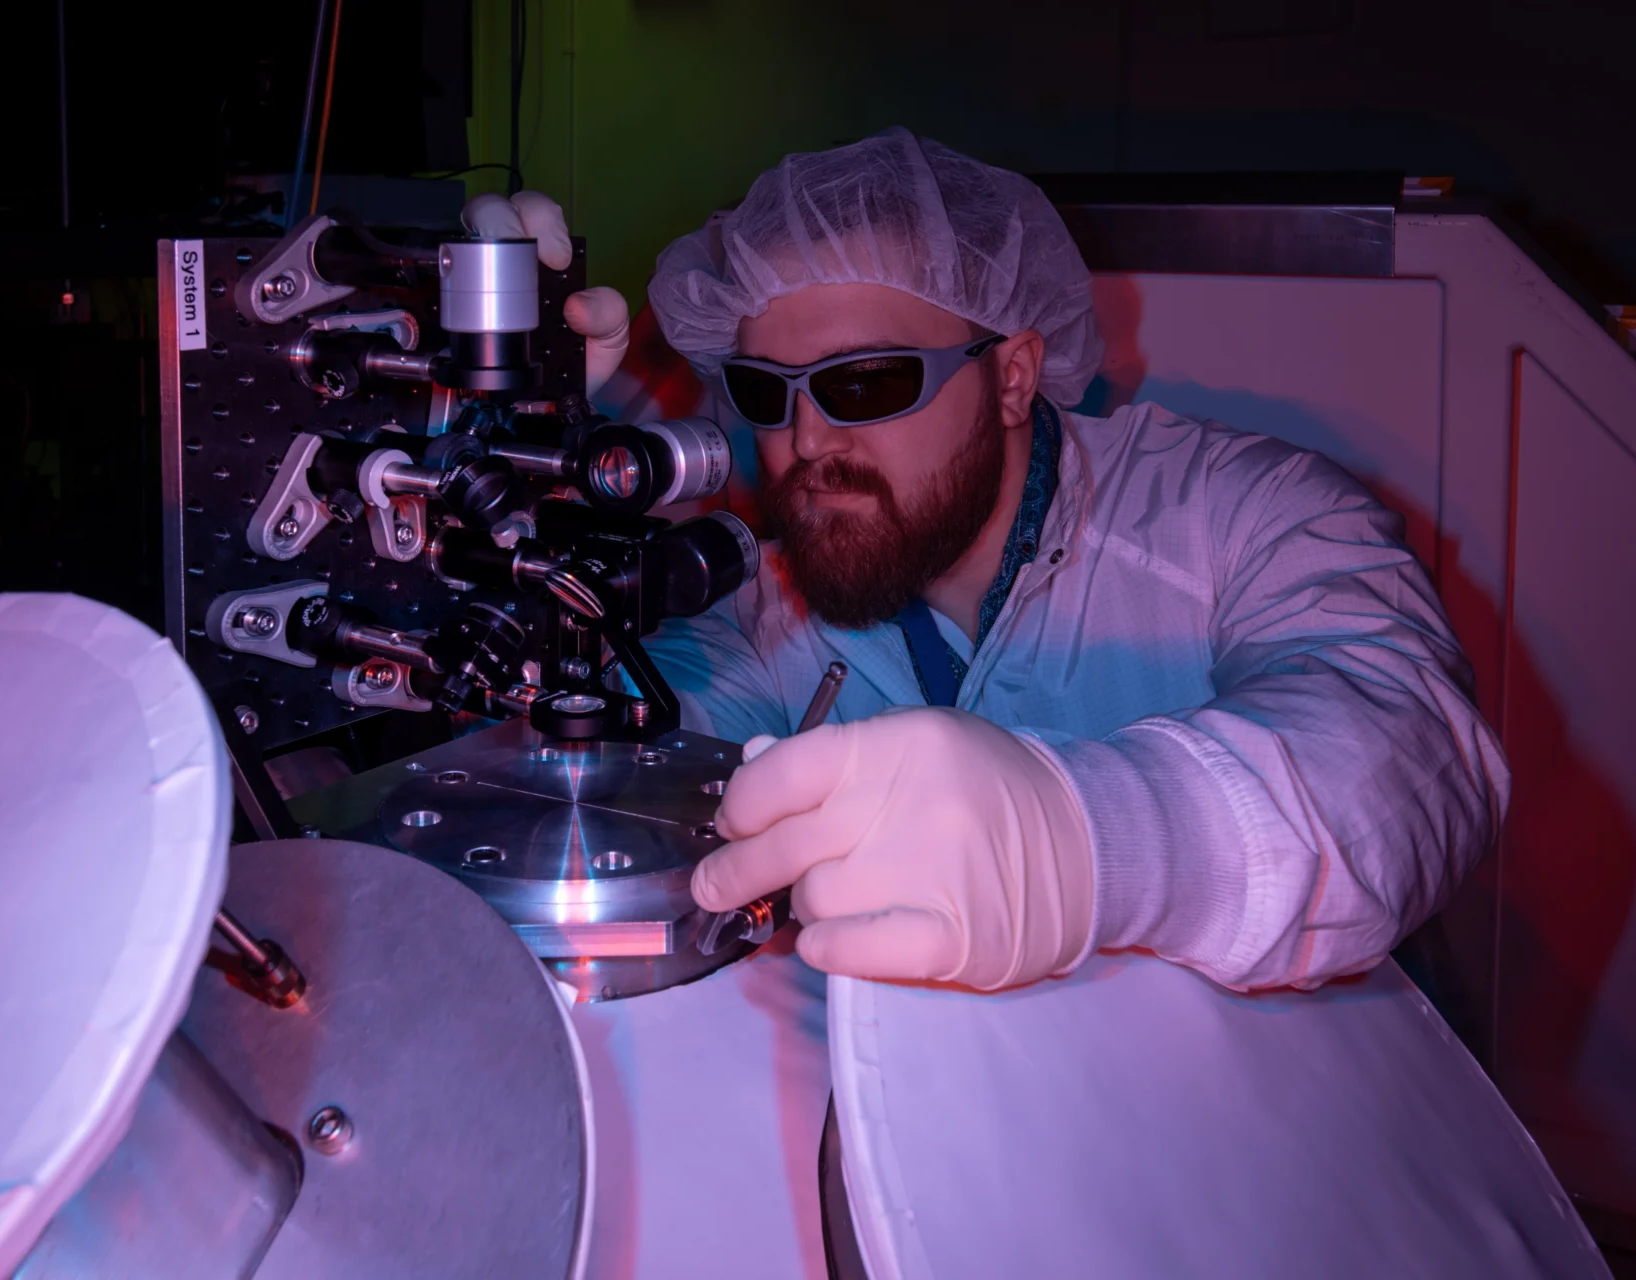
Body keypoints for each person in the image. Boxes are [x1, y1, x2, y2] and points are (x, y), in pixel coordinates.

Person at [467, 126, 1508, 996]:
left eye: (867, 381)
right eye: (765, 392)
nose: (807, 442)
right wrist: (499, 490)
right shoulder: (782, 596)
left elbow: (1408, 749)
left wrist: (1092, 841)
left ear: (1013, 377)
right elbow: (626, 772)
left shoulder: (1245, 515)